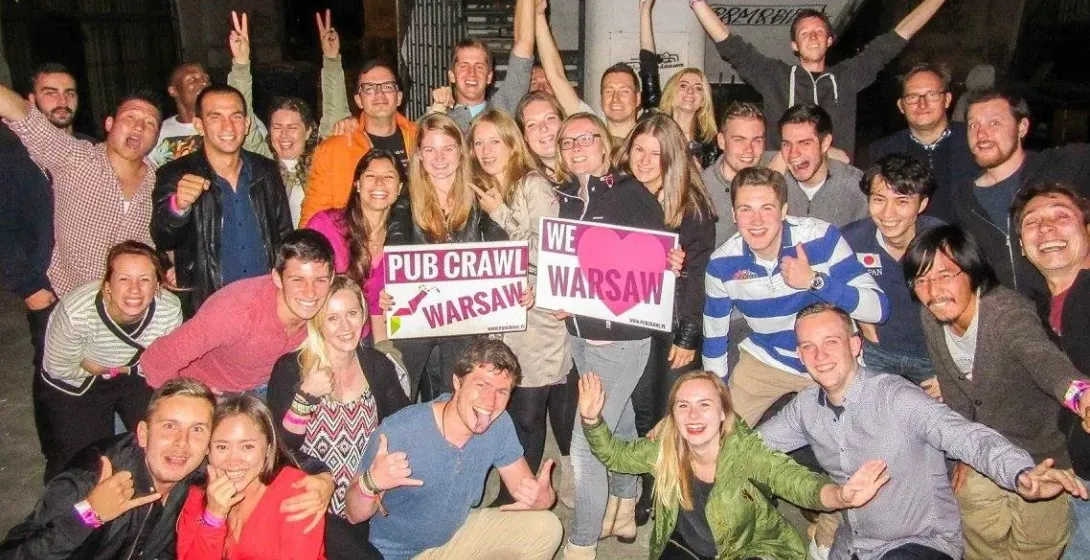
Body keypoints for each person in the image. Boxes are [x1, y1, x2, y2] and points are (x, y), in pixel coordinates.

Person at [758, 302, 1089, 560]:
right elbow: (752, 446)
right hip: (854, 546)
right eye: (809, 346)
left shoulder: (896, 397)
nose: (821, 355)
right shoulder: (805, 407)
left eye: (831, 342)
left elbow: (966, 436)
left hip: (919, 544)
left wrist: (1020, 474)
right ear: (800, 355)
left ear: (855, 345)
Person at [906, 225, 1090, 559]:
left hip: (1042, 456)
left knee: (1035, 543)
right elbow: (955, 391)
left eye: (946, 274)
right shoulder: (930, 315)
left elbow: (1044, 360)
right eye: (922, 280)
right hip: (985, 452)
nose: (933, 290)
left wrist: (1082, 396)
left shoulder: (1006, 312)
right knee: (978, 532)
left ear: (972, 271)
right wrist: (964, 452)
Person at [0, 378, 336, 559]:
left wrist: (323, 478)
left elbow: (264, 454)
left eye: (198, 431)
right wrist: (89, 515)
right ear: (143, 433)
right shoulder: (92, 477)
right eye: (170, 427)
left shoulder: (202, 471)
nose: (182, 444)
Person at [578, 369, 889, 560]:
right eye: (683, 406)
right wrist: (592, 420)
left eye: (705, 405)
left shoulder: (745, 451)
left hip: (750, 549)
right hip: (686, 545)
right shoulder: (665, 449)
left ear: (724, 413)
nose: (694, 416)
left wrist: (840, 496)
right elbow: (616, 456)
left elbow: (796, 481)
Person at [552, 112, 667, 555]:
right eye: (568, 142)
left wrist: (667, 264)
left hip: (620, 341)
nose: (578, 147)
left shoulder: (630, 195)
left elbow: (652, 271)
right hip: (580, 338)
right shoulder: (567, 199)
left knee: (587, 445)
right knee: (617, 424)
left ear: (604, 145)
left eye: (586, 138)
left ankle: (581, 545)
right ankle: (624, 506)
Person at [345, 339, 563, 560]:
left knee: (546, 528)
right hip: (398, 555)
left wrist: (543, 498)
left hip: (454, 538)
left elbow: (525, 490)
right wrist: (371, 482)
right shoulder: (401, 431)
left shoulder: (499, 423)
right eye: (482, 385)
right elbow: (353, 515)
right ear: (457, 382)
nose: (490, 402)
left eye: (502, 392)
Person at [703, 167, 888, 426]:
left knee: (864, 439)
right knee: (719, 432)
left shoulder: (820, 238)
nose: (756, 221)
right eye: (746, 209)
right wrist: (716, 393)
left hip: (828, 358)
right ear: (734, 214)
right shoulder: (722, 264)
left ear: (784, 210)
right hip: (767, 358)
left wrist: (814, 280)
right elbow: (714, 336)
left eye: (767, 208)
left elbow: (878, 309)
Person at [467, 109, 573, 507]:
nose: (486, 150)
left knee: (528, 412)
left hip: (535, 320)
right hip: (498, 319)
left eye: (495, 140)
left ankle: (521, 495)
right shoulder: (479, 189)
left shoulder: (532, 184)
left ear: (513, 143)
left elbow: (550, 250)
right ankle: (514, 485)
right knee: (506, 407)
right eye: (478, 142)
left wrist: (501, 213)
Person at [616, 113, 717, 525]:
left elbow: (700, 276)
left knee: (673, 411)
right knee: (643, 410)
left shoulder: (693, 206)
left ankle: (675, 490)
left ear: (671, 158)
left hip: (675, 323)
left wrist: (689, 333)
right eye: (638, 149)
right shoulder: (617, 195)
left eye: (655, 153)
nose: (643, 159)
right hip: (633, 322)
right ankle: (650, 485)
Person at [267, 276, 409, 559]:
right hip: (315, 505)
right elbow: (277, 449)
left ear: (364, 315)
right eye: (332, 318)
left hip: (366, 499)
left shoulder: (377, 366)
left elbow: (404, 425)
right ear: (318, 322)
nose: (345, 327)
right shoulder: (290, 370)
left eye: (352, 314)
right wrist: (304, 398)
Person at [690, 0, 948, 156]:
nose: (812, 37)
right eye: (804, 34)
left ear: (830, 40)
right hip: (785, 182)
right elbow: (732, 47)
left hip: (833, 184)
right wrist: (697, 4)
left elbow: (894, 39)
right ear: (794, 45)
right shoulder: (776, 76)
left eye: (819, 32)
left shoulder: (847, 76)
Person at [384, 113, 507, 401]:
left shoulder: (480, 198)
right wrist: (391, 287)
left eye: (447, 148)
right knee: (400, 393)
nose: (439, 158)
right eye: (429, 149)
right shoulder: (405, 200)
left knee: (456, 397)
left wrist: (516, 287)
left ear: (461, 152)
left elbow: (503, 250)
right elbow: (396, 243)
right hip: (419, 318)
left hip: (463, 317)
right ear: (419, 156)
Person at [0, 82, 160, 301]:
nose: (139, 126)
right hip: (66, 300)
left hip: (131, 307)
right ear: (109, 123)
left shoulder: (160, 184)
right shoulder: (76, 158)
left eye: (150, 123)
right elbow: (24, 117)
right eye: (130, 117)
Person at [38, 241, 182, 482]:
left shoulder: (169, 309)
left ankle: (153, 502)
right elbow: (58, 367)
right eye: (124, 279)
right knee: (82, 461)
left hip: (132, 374)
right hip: (76, 381)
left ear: (158, 285)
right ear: (107, 286)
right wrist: (100, 369)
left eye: (145, 279)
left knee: (160, 437)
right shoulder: (77, 311)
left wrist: (115, 368)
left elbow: (163, 364)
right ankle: (61, 512)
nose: (135, 289)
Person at [151, 84, 293, 318]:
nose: (228, 126)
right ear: (199, 125)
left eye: (235, 116)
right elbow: (162, 237)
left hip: (267, 303)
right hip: (209, 305)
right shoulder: (175, 174)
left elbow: (284, 234)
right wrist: (179, 207)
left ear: (247, 124)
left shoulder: (265, 171)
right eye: (215, 117)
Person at [142, 230, 334, 396]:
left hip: (268, 387)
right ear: (276, 277)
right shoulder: (238, 311)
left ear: (332, 278)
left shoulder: (330, 305)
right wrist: (192, 395)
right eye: (297, 280)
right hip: (215, 391)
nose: (310, 293)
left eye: (320, 280)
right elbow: (155, 361)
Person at [1012, 182, 1090, 558]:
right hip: (1079, 482)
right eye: (1033, 222)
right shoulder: (1036, 313)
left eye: (1062, 217)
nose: (1046, 229)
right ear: (1023, 247)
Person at [952, 88, 1090, 298]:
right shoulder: (964, 200)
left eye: (994, 123)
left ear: (1022, 127)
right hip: (1014, 323)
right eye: (973, 125)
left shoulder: (1063, 165)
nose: (981, 134)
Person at [225, 10, 352, 227]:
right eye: (277, 127)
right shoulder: (262, 162)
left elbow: (335, 113)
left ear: (309, 131)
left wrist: (331, 61)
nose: (284, 134)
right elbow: (239, 113)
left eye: (292, 127)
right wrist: (241, 64)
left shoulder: (321, 161)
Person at [176, 396, 325, 559]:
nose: (233, 461)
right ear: (208, 450)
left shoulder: (296, 491)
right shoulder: (197, 497)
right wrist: (214, 517)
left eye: (247, 447)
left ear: (269, 448)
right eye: (222, 447)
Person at [842, 154, 943, 388]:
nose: (888, 214)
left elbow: (971, 307)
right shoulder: (850, 240)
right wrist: (858, 323)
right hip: (877, 351)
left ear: (923, 203)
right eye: (878, 199)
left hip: (931, 355)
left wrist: (952, 373)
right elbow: (829, 289)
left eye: (902, 201)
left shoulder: (943, 242)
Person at [301, 58, 418, 227]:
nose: (379, 94)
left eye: (387, 86)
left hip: (410, 247)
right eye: (369, 88)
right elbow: (314, 217)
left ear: (399, 97)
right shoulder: (334, 150)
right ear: (358, 100)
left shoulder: (421, 140)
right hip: (354, 247)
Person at [306, 150, 405, 343]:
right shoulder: (326, 226)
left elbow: (378, 310)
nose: (379, 182)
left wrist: (387, 356)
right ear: (357, 184)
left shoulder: (401, 239)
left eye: (388, 177)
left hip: (364, 337)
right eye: (370, 176)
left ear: (400, 188)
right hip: (322, 336)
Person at [867, 63, 978, 223]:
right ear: (901, 106)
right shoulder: (882, 151)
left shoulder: (974, 141)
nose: (922, 104)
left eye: (932, 95)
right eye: (912, 97)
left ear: (947, 100)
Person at [535, 0, 640, 144]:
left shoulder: (651, 137)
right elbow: (556, 76)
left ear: (638, 99)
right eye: (609, 91)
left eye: (624, 91)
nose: (616, 98)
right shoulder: (592, 129)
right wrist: (539, 16)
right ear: (600, 100)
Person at [427, 0, 535, 132]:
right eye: (464, 66)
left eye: (479, 66)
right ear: (451, 75)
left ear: (489, 77)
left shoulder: (503, 108)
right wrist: (436, 112)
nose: (471, 73)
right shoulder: (443, 119)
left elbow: (524, 44)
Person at [638, 0, 719, 169]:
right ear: (672, 92)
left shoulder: (710, 145)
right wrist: (644, 11)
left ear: (704, 101)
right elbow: (648, 67)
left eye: (698, 88)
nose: (690, 91)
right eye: (683, 85)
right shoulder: (654, 122)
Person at [150, 59, 265, 167]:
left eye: (206, 79)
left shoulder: (240, 122)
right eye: (192, 79)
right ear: (173, 90)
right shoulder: (159, 131)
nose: (203, 83)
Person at [778, 103, 867, 226]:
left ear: (825, 143)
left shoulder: (857, 188)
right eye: (786, 144)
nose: (793, 154)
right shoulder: (775, 182)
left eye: (804, 143)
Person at [702, 102, 772, 246]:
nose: (749, 150)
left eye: (757, 140)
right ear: (721, 141)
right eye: (739, 140)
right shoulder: (701, 190)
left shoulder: (776, 172)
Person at [514, 91, 565, 180]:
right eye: (532, 124)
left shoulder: (589, 169)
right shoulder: (524, 185)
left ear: (563, 121)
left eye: (550, 118)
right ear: (525, 137)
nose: (543, 128)